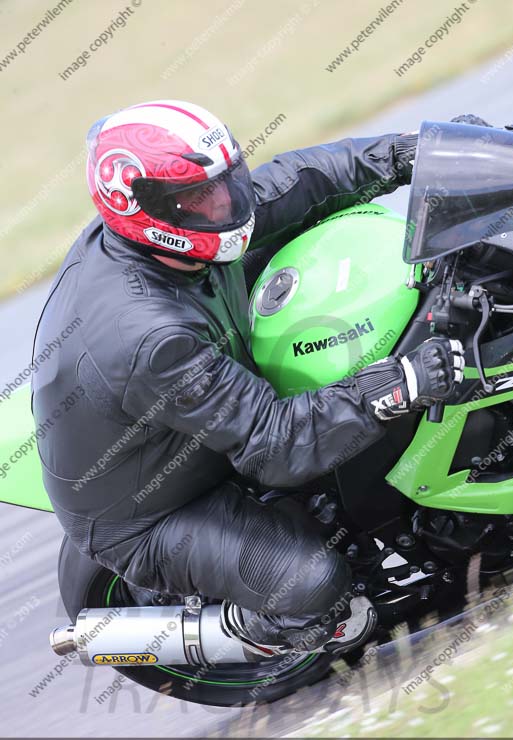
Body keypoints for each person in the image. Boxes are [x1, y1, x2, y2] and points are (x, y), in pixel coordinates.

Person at [32, 100, 467, 657]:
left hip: (183, 413)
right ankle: (255, 631)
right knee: (317, 587)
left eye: (223, 182)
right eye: (196, 197)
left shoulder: (179, 227)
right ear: (144, 209)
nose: (222, 203)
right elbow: (278, 446)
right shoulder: (149, 336)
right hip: (153, 513)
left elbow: (301, 182)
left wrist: (419, 152)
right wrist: (399, 383)